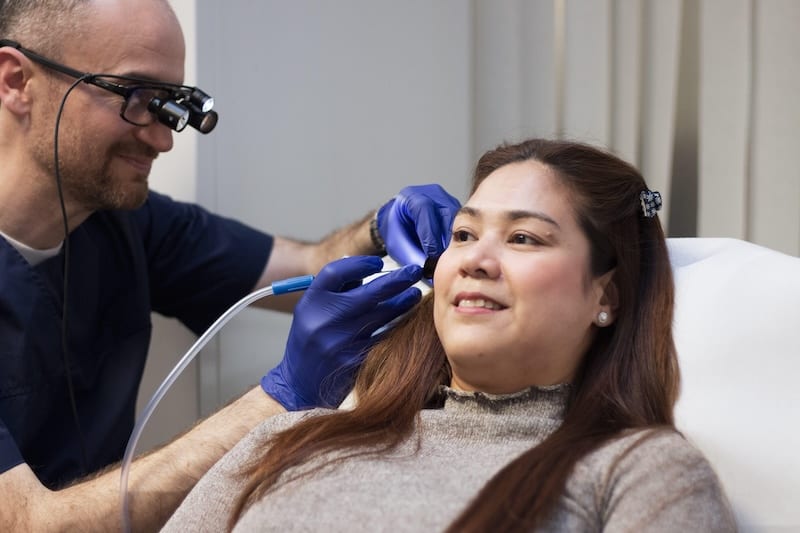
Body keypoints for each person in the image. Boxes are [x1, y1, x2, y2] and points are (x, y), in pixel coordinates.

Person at [0, 0, 460, 531]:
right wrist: (280, 397)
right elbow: (27, 525)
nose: (163, 138)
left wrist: (380, 229)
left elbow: (310, 265)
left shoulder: (129, 224)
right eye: (135, 97)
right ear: (16, 81)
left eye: (170, 105)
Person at [163, 138, 738, 533]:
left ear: (606, 296)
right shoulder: (287, 441)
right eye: (463, 234)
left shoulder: (639, 471)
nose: (475, 260)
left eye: (524, 239)